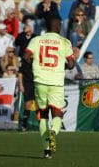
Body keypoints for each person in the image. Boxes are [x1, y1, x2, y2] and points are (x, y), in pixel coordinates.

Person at [24, 18, 75, 158]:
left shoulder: (36, 40)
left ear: (47, 28)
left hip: (40, 81)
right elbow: (71, 65)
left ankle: (47, 151)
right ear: (58, 27)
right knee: (57, 113)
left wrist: (36, 66)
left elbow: (26, 56)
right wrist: (62, 65)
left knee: (43, 115)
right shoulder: (65, 42)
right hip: (56, 82)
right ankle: (53, 132)